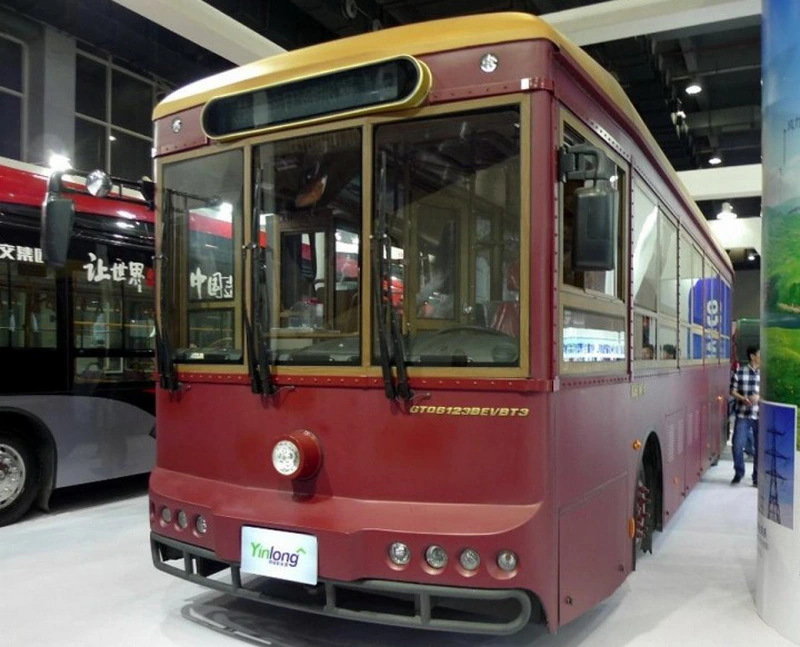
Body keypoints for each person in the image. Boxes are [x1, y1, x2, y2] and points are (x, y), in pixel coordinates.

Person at [730, 345, 760, 485]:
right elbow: (732, 390)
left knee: (759, 447)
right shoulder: (740, 371)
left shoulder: (765, 373)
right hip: (743, 414)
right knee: (737, 445)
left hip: (760, 416)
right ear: (752, 356)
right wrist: (742, 398)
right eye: (760, 354)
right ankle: (739, 472)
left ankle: (757, 477)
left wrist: (759, 396)